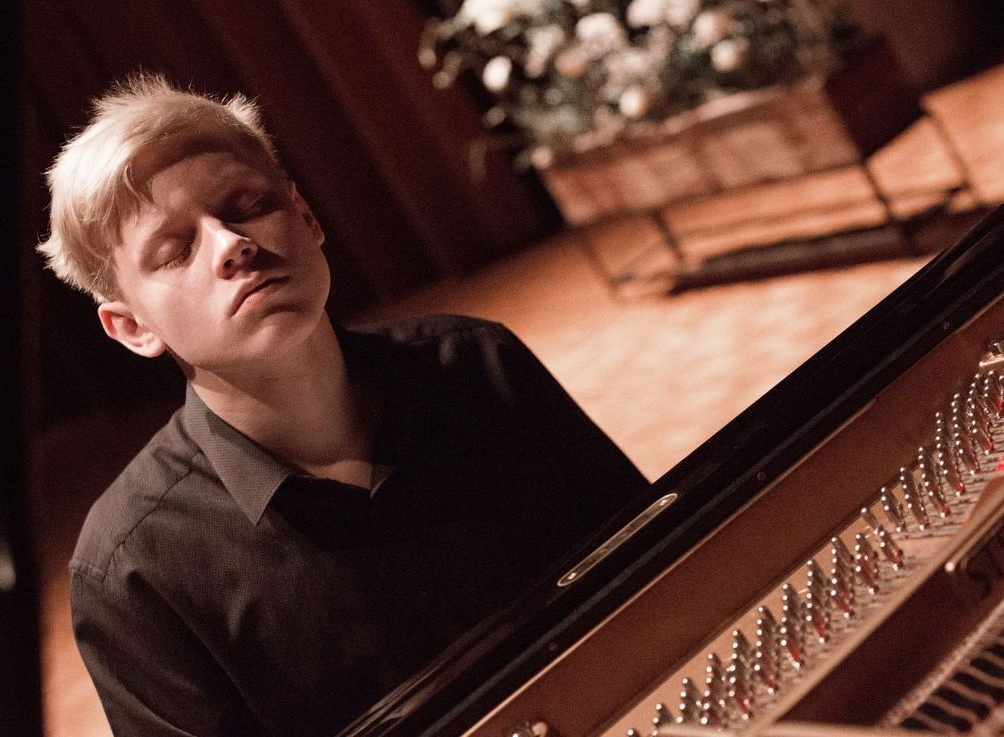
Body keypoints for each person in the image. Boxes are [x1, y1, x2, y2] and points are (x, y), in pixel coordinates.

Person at [39, 74, 649, 737]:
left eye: (248, 205)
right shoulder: (134, 568)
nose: (232, 245)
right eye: (176, 249)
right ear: (132, 327)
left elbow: (655, 563)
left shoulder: (479, 365)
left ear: (306, 217)